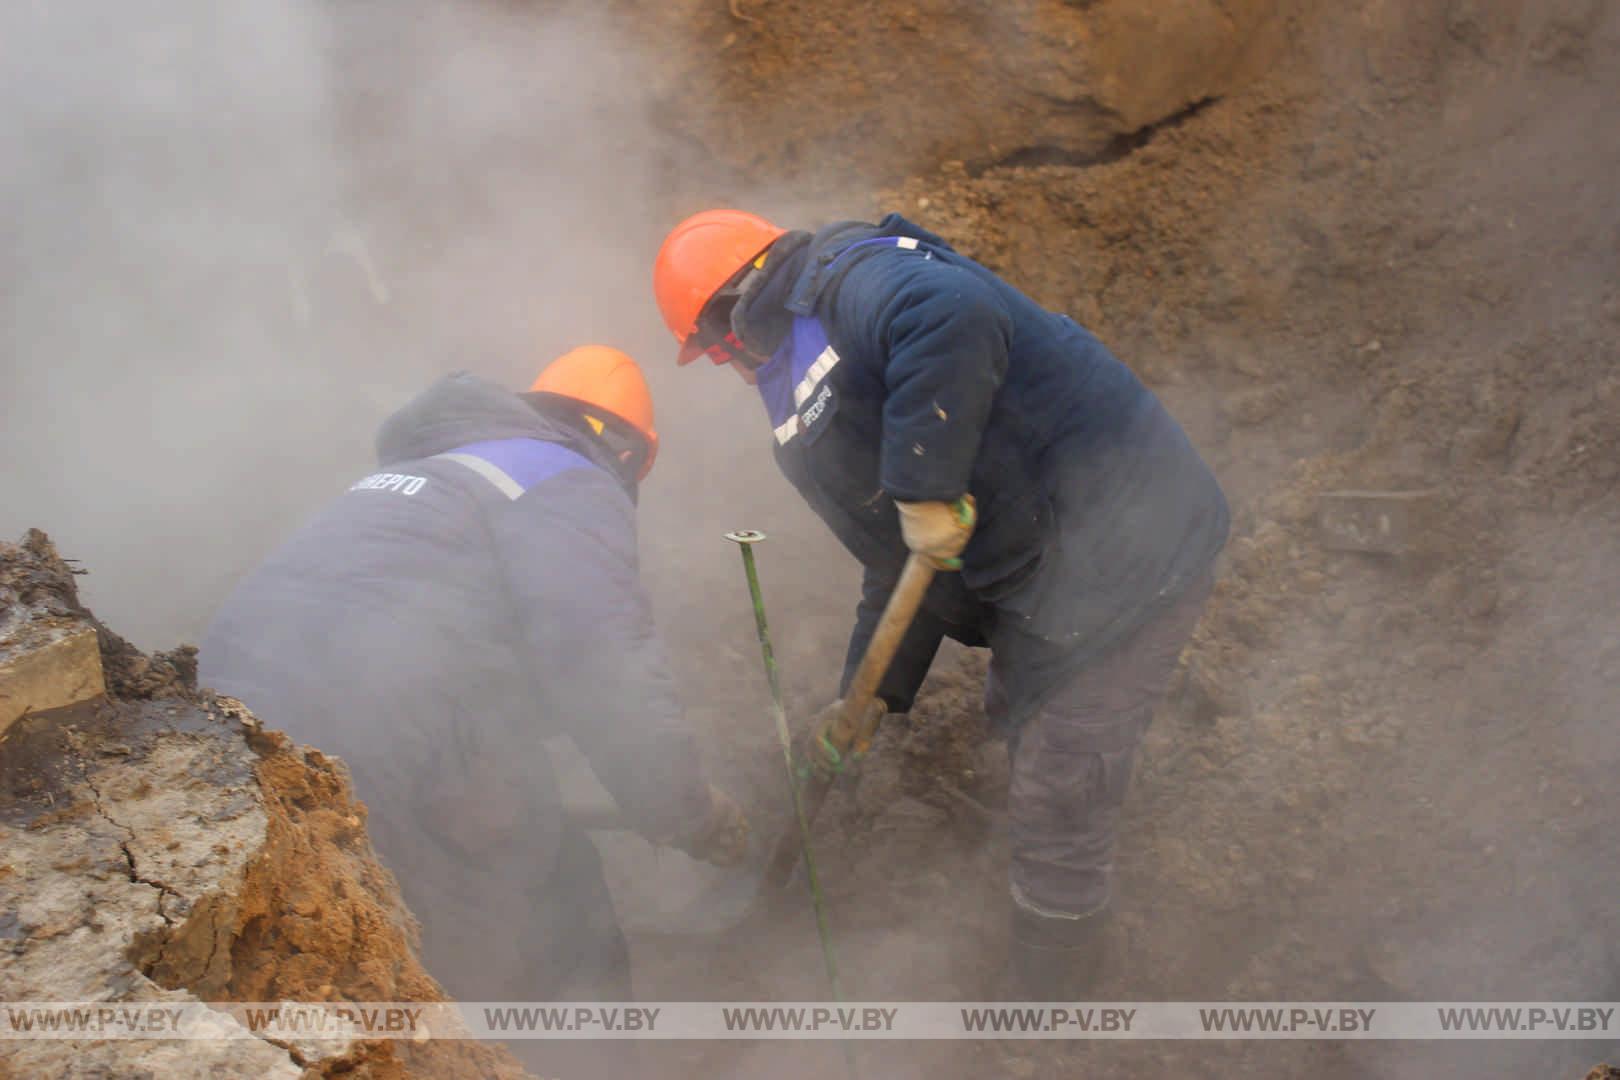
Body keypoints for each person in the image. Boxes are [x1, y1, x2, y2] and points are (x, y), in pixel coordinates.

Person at [653, 210, 1229, 996]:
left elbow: (950, 314)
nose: (726, 369)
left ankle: (1054, 988)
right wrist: (865, 697)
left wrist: (924, 486)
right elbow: (898, 561)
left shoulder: (852, 279)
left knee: (1061, 779)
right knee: (1026, 718)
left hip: (1133, 545)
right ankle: (1055, 822)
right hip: (1045, 570)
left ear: (730, 320)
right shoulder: (797, 382)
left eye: (714, 352)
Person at [200, 347, 748, 1016]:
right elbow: (604, 660)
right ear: (627, 452)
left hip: (228, 723)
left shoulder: (429, 473)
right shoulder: (565, 474)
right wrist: (687, 811)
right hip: (387, 725)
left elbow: (490, 651)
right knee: (555, 924)